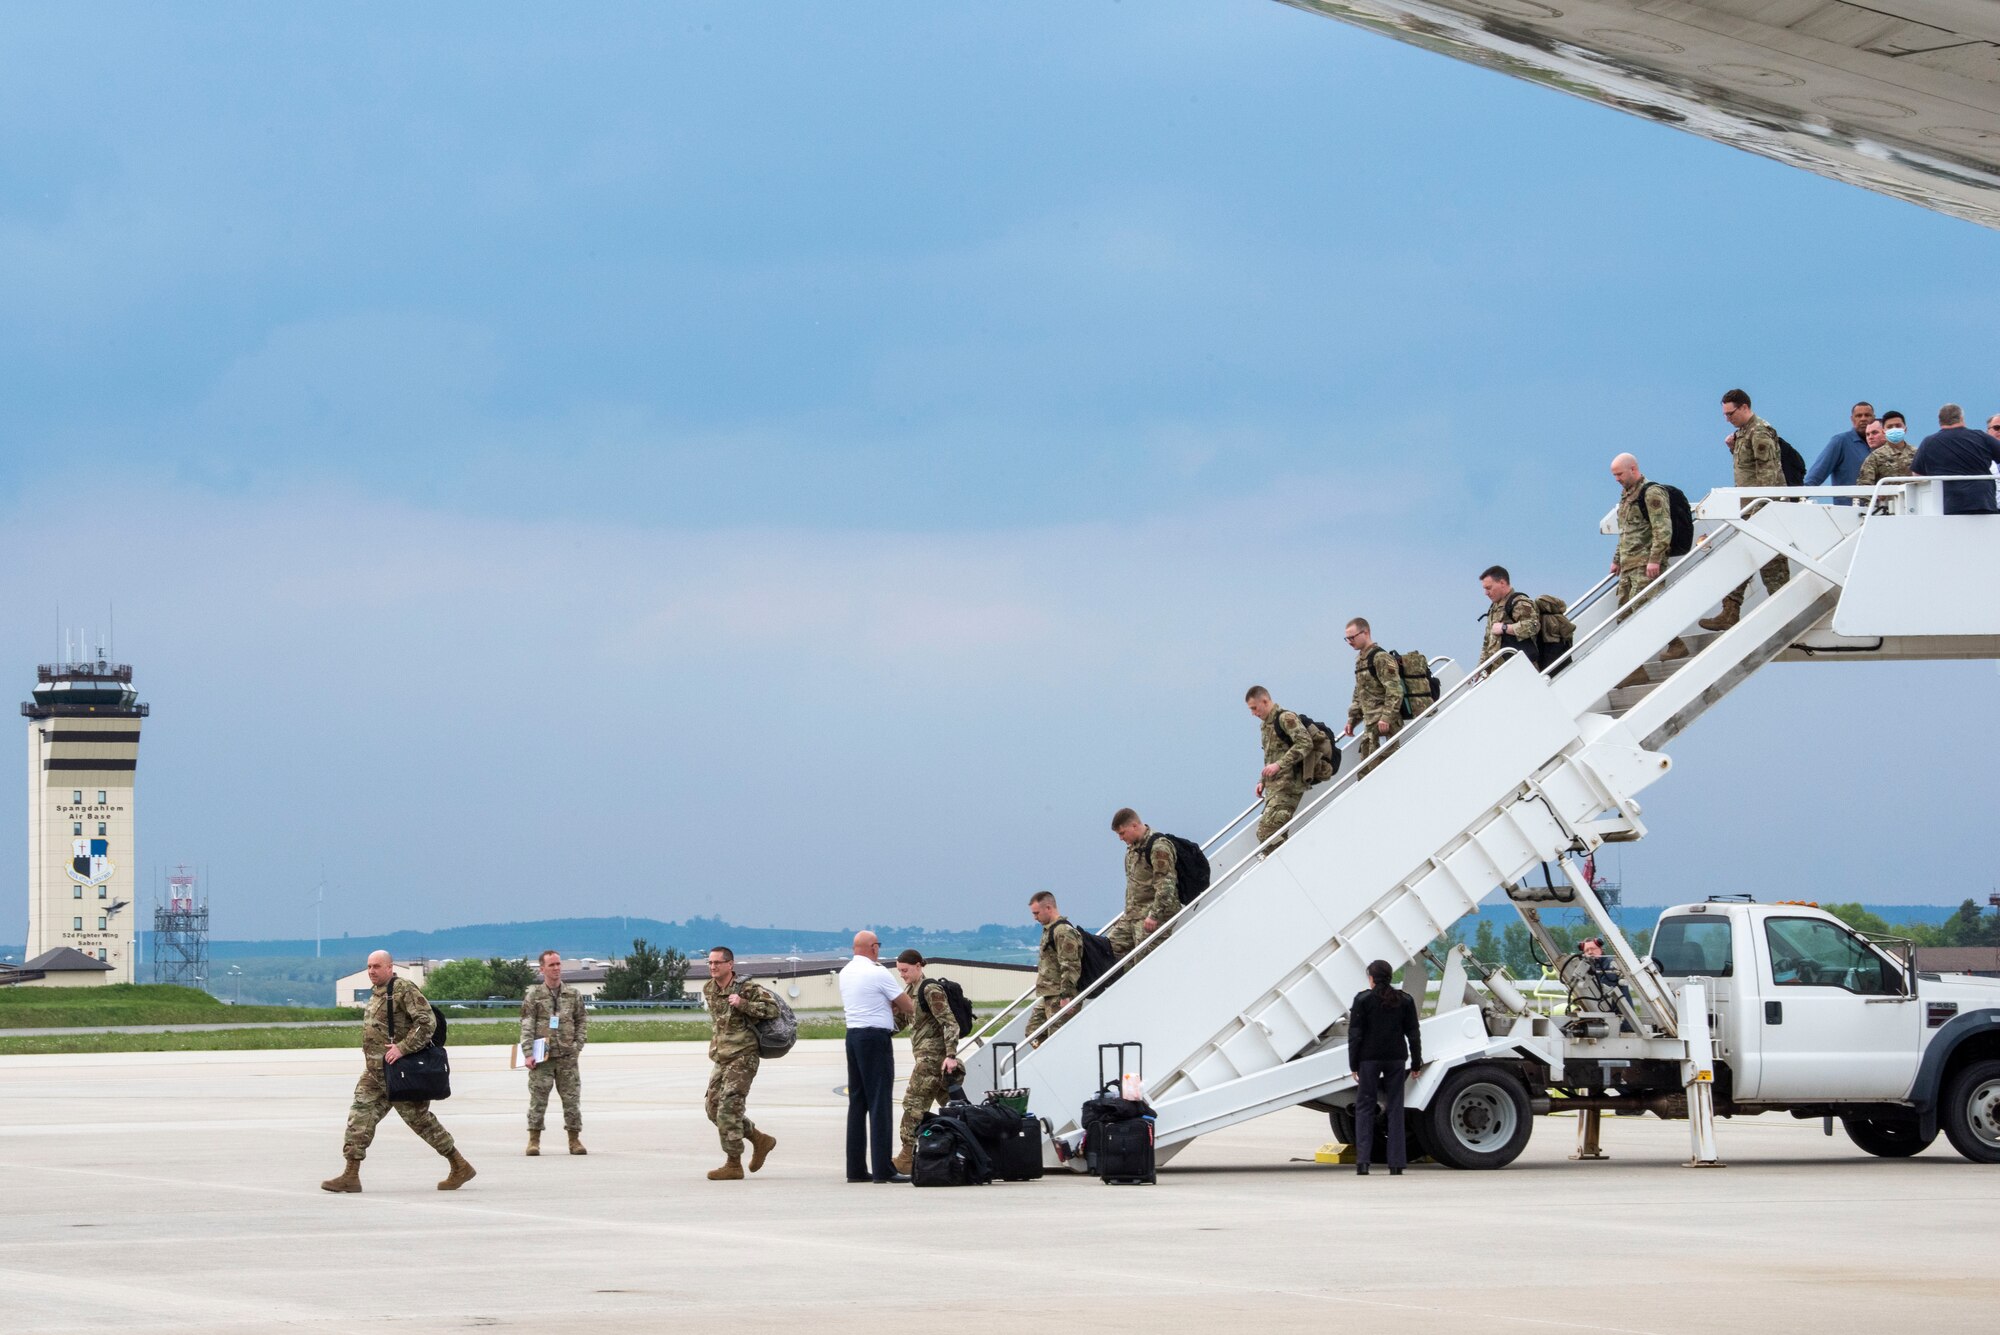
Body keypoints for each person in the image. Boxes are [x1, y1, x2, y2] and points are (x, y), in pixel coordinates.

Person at [320, 950, 475, 1193]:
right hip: (374, 1073)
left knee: (420, 1121)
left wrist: (403, 1049)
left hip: (399, 1072)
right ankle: (351, 1175)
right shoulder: (376, 994)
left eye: (377, 966)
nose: (372, 971)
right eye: (369, 966)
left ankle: (459, 1165)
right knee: (358, 1118)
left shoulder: (403, 989)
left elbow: (427, 1022)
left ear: (390, 967)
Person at [1701, 388, 1791, 631]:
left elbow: (1768, 473)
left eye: (1730, 414)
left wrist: (1759, 510)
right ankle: (1732, 611)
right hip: (1751, 509)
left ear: (1744, 407)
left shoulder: (1759, 431)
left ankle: (1779, 612)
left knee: (1769, 564)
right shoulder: (1743, 433)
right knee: (1751, 560)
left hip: (1762, 509)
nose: (1727, 419)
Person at [838, 930, 913, 1183]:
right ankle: (883, 1169)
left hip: (853, 1036)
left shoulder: (846, 972)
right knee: (880, 1102)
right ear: (873, 947)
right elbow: (907, 1005)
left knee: (857, 1103)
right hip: (875, 1038)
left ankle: (856, 1169)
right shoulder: (878, 971)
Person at [701, 945, 780, 1181]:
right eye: (710, 963)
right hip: (722, 1056)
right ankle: (759, 1139)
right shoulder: (709, 989)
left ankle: (733, 1163)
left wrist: (743, 1004)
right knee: (713, 1109)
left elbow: (772, 1010)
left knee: (728, 1108)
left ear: (730, 965)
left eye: (717, 963)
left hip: (744, 1056)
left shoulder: (748, 988)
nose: (713, 967)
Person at [1607, 455, 1688, 681]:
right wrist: (1617, 559)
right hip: (1630, 565)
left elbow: (1662, 529)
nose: (1617, 479)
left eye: (1620, 474)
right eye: (1614, 475)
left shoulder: (1651, 493)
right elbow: (1626, 532)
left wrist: (1654, 559)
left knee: (1643, 611)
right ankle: (1635, 670)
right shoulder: (1626, 496)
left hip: (1646, 564)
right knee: (1624, 616)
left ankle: (1676, 643)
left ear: (1633, 469)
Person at [1346, 959, 1422, 1176]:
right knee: (1396, 1108)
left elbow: (1355, 1035)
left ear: (1371, 978)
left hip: (1368, 1060)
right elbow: (1413, 1034)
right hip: (1396, 1059)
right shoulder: (1405, 1000)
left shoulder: (1362, 1000)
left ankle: (1363, 1162)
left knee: (1365, 1107)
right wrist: (1416, 1062)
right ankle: (1396, 1164)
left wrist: (1354, 1064)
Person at [891, 949, 963, 1176]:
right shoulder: (910, 991)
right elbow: (901, 1022)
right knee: (954, 1108)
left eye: (905, 970)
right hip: (925, 1056)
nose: (902, 974)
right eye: (899, 971)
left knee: (913, 1104)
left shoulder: (930, 990)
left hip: (933, 1059)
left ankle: (906, 1155)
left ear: (918, 966)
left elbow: (950, 1023)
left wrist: (951, 1056)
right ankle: (969, 1145)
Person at [519, 948, 588, 1157]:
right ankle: (534, 1140)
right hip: (543, 1058)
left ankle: (574, 1140)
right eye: (552, 965)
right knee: (538, 1100)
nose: (556, 968)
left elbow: (582, 1021)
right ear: (542, 969)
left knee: (572, 1100)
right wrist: (528, 1053)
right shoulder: (534, 997)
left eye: (558, 964)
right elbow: (527, 1025)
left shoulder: (573, 995)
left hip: (567, 1056)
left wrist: (577, 1046)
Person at [1246, 685, 1316, 847]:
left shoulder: (1285, 718)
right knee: (1272, 833)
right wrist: (1262, 780)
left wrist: (1279, 765)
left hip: (1289, 786)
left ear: (1265, 701)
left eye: (1254, 708)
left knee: (1266, 832)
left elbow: (1305, 743)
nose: (1253, 713)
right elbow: (1271, 757)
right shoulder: (1265, 726)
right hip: (1275, 788)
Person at [1109, 808, 1179, 956]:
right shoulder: (1133, 848)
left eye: (1122, 833)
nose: (1120, 838)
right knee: (1104, 949)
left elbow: (1166, 885)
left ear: (1134, 825)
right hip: (1133, 916)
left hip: (1153, 916)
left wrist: (1154, 915)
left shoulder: (1158, 846)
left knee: (1142, 959)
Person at [1915, 403, 2000, 515]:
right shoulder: (1981, 437)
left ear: (1940, 421)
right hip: (1982, 502)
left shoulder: (1928, 442)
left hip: (1946, 505)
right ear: (1961, 418)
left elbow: (1917, 474)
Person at [1341, 619, 1404, 760]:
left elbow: (1395, 690)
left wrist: (1386, 718)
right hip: (1370, 725)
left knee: (1384, 768)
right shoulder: (1361, 660)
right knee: (1365, 772)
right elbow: (1360, 692)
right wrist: (1352, 720)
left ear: (1366, 632)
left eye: (1352, 637)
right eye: (1347, 638)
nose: (1350, 641)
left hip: (1384, 727)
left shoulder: (1380, 658)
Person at [1025, 890, 1083, 1042]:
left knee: (1058, 1039)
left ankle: (1060, 1064)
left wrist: (1067, 996)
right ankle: (1047, 1062)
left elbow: (1070, 965)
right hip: (1050, 994)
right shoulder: (1050, 930)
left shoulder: (1062, 931)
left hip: (1060, 995)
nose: (1035, 917)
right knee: (1033, 1032)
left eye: (1037, 913)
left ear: (1048, 908)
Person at [1804, 400, 1876, 503]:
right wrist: (1797, 497)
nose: (1863, 419)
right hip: (1848, 512)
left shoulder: (1882, 445)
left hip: (1881, 512)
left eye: (1867, 415)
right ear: (1852, 419)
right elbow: (1817, 474)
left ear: (1874, 418)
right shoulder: (1841, 442)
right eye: (1859, 416)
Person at [1476, 567, 1541, 667]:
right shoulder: (1494, 607)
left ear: (1502, 583)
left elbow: (1533, 625)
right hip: (1500, 669)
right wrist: (1481, 667)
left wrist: (1505, 628)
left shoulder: (1518, 602)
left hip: (1521, 667)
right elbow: (1487, 641)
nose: (1486, 593)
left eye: (1489, 588)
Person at [1855, 419, 1914, 490]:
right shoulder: (1873, 458)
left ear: (1884, 432)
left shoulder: (1915, 453)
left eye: (1874, 433)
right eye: (1867, 434)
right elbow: (1864, 488)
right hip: (1886, 500)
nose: (1870, 437)